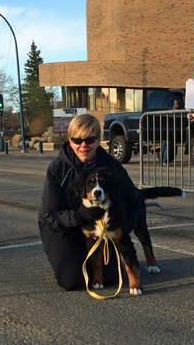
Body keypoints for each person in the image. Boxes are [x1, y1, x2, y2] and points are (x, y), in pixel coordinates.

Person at [38, 114, 142, 291]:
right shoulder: (57, 168)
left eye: (90, 139)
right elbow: (51, 214)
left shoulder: (111, 165)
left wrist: (122, 229)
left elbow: (134, 201)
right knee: (73, 280)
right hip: (62, 227)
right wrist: (80, 216)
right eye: (77, 140)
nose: (83, 145)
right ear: (70, 141)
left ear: (99, 140)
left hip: (100, 229)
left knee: (111, 278)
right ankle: (63, 255)